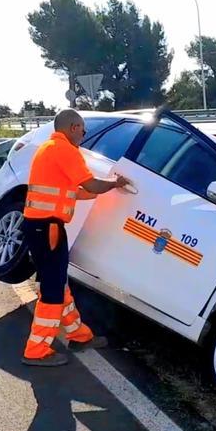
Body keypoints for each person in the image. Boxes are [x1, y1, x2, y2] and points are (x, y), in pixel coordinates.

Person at [21, 109, 131, 367]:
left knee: (58, 283)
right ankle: (37, 349)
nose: (84, 133)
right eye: (82, 128)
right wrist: (115, 183)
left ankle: (79, 335)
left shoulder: (48, 148)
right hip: (47, 228)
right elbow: (90, 184)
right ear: (72, 127)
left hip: (39, 227)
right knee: (52, 290)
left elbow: (74, 191)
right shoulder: (66, 151)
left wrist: (98, 193)